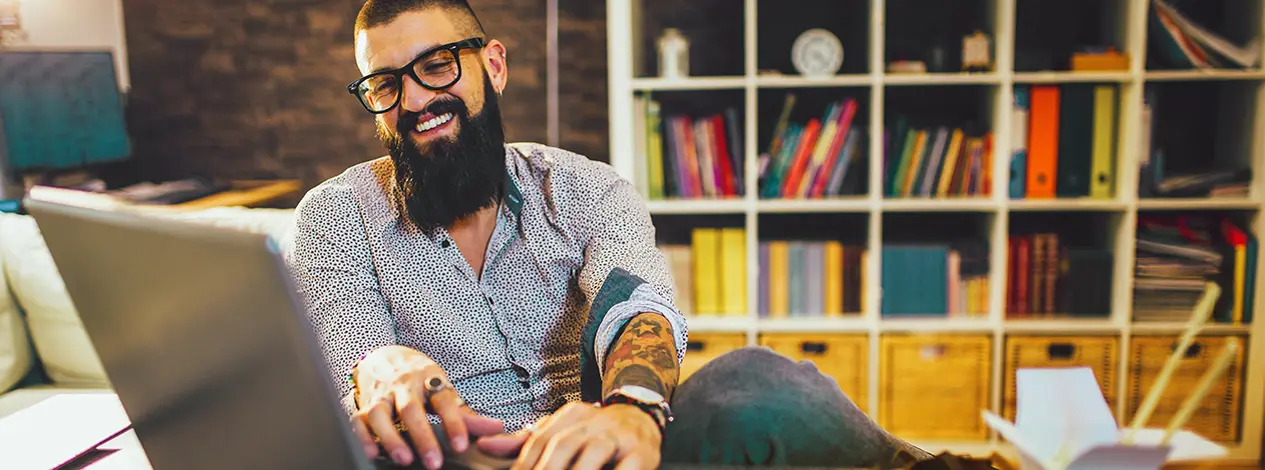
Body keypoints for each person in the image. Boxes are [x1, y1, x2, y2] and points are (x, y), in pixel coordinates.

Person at [282, 1, 932, 469]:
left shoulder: (586, 189)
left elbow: (637, 306)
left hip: (605, 451)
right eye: (385, 84)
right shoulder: (334, 216)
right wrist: (377, 366)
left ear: (493, 66)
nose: (415, 101)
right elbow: (355, 368)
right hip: (448, 458)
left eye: (437, 66)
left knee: (755, 380)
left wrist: (633, 409)